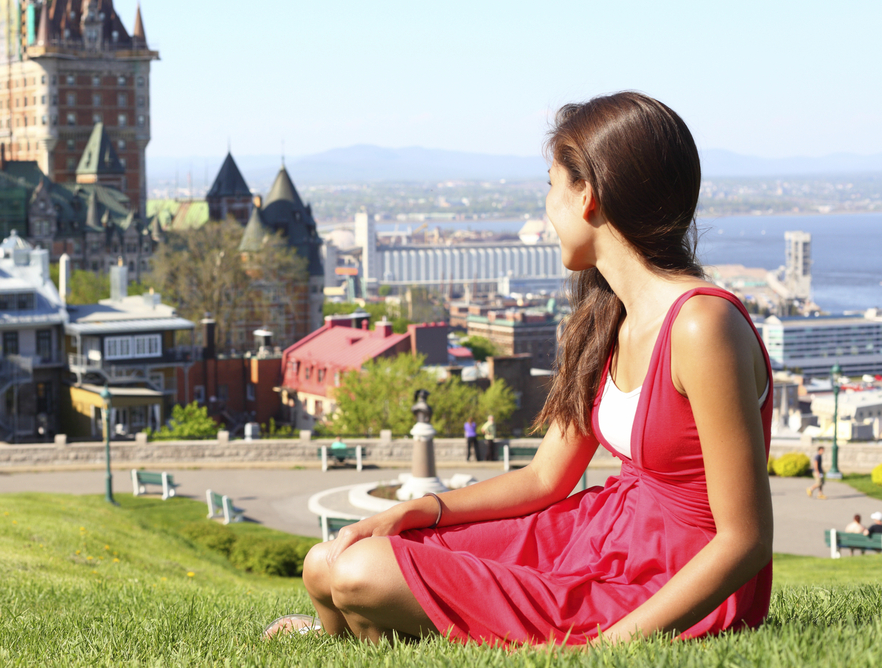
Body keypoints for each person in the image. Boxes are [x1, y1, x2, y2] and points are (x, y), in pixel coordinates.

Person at [268, 93, 775, 647]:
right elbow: (543, 479)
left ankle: (386, 632)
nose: (547, 211)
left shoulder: (703, 325)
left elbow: (744, 540)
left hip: (661, 584)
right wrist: (420, 510)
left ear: (587, 195)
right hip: (600, 538)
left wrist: (607, 650)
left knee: (358, 572)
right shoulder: (611, 318)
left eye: (551, 186)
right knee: (325, 563)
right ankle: (367, 636)